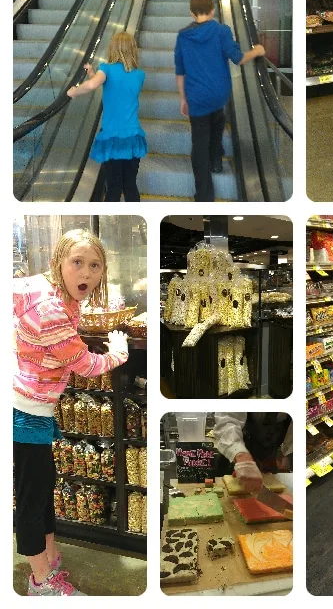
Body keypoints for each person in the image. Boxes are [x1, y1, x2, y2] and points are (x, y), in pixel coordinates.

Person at [13, 229, 129, 596]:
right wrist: (119, 352)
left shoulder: (43, 290)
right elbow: (86, 365)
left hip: (30, 403)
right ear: (58, 262)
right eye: (76, 262)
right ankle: (41, 581)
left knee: (44, 486)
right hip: (25, 411)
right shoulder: (51, 311)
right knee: (32, 498)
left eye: (94, 265)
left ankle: (49, 553)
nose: (86, 273)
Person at [174, 0, 265, 201]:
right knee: (217, 121)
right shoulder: (222, 31)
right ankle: (216, 159)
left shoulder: (183, 36)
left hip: (196, 96)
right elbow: (239, 58)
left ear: (191, 12)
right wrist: (257, 51)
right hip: (219, 93)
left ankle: (204, 195)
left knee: (199, 142)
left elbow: (180, 71)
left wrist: (182, 98)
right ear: (213, 10)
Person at [67, 32, 146, 201]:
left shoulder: (107, 69)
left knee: (113, 187)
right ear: (133, 50)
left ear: (113, 49)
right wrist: (92, 73)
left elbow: (94, 85)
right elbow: (118, 87)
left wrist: (74, 91)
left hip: (113, 137)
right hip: (133, 136)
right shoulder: (139, 74)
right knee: (130, 185)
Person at [212, 413, 292, 492]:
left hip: (268, 463)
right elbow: (226, 421)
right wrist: (242, 458)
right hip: (234, 460)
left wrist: (290, 457)